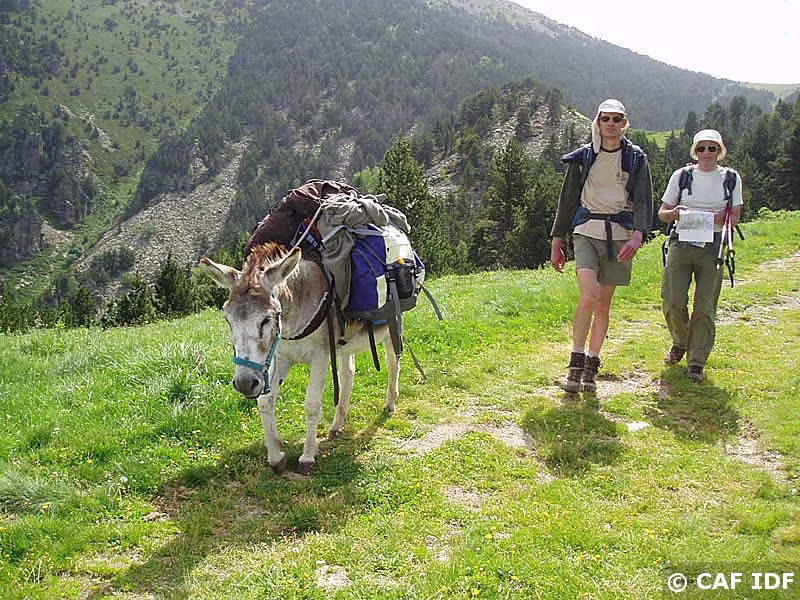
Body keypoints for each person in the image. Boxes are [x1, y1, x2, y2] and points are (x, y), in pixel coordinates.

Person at [550, 99, 653, 393]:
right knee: (588, 297)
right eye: (605, 118)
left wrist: (638, 235)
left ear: (624, 124)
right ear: (597, 122)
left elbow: (643, 199)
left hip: (619, 236)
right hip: (586, 230)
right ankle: (575, 361)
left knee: (603, 303)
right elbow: (567, 200)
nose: (610, 124)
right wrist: (557, 240)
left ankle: (591, 367)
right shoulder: (584, 157)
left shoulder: (636, 158)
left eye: (616, 119)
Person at [658, 129, 743, 383]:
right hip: (681, 243)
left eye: (712, 148)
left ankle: (696, 361)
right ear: (694, 151)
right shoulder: (681, 176)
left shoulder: (731, 178)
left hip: (713, 246)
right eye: (701, 148)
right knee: (673, 301)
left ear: (720, 151)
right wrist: (675, 213)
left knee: (705, 307)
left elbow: (735, 216)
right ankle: (680, 341)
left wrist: (722, 218)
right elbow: (662, 212)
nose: (706, 153)